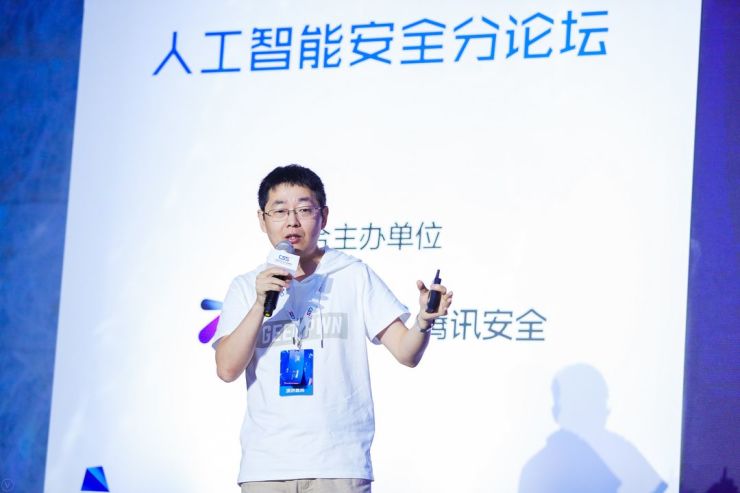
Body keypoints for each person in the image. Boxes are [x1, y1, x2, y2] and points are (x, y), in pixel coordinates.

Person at [212, 164, 453, 493]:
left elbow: (406, 352)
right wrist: (259, 305)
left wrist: (424, 321)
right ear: (262, 219)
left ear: (323, 216)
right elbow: (226, 369)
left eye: (304, 209)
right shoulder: (247, 286)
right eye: (279, 211)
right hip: (267, 468)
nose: (292, 221)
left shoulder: (352, 274)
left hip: (338, 465)